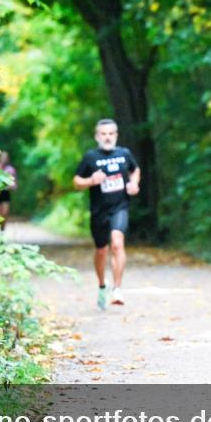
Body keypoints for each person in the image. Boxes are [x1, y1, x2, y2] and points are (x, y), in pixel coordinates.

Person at [73, 119, 141, 310]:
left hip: (120, 207)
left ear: (116, 135)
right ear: (97, 136)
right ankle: (102, 285)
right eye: (103, 134)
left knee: (117, 243)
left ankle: (117, 289)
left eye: (111, 133)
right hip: (98, 211)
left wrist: (134, 184)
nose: (107, 137)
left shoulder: (124, 154)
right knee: (101, 250)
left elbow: (135, 170)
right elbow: (76, 181)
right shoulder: (90, 157)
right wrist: (91, 180)